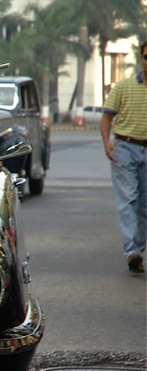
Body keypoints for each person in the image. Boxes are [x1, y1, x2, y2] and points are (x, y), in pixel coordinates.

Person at [100, 41, 147, 274]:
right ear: (141, 58)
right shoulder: (124, 87)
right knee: (128, 198)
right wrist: (107, 143)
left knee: (144, 203)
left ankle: (137, 247)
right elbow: (107, 117)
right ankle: (132, 251)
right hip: (125, 147)